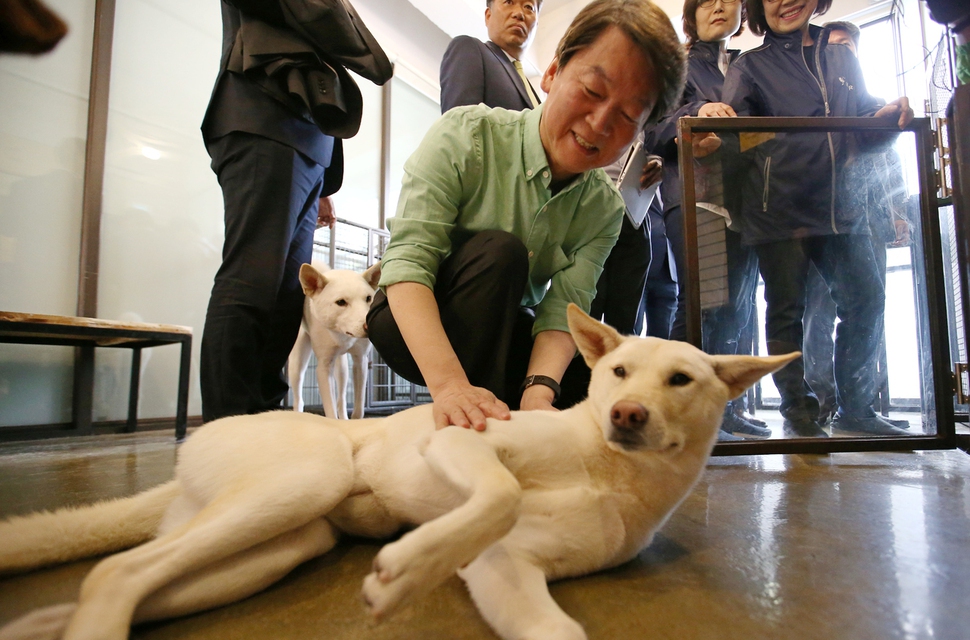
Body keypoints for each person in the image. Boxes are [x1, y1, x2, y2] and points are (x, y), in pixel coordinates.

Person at [367, 0, 686, 431]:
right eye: (592, 91)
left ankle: (509, 413)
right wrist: (450, 386)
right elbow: (409, 264)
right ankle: (476, 422)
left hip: (503, 323)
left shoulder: (604, 208)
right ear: (552, 73)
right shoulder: (466, 134)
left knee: (586, 385)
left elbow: (563, 307)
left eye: (628, 116)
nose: (598, 123)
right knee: (502, 253)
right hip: (410, 317)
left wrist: (539, 392)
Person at [721, 0, 914, 438]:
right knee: (786, 313)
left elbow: (864, 120)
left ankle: (857, 410)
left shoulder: (841, 56)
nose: (785, 1)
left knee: (867, 301)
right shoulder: (749, 67)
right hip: (778, 209)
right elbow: (736, 141)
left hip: (843, 207)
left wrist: (884, 117)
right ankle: (800, 411)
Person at [199, 0, 392, 422]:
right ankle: (227, 426)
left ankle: (264, 417)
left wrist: (321, 183)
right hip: (264, 113)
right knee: (253, 278)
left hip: (306, 141)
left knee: (287, 293)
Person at [642, 0, 767, 440]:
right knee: (701, 307)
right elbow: (654, 129)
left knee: (735, 310)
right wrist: (695, 116)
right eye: (707, 0)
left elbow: (761, 133)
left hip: (743, 204)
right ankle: (680, 415)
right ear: (690, 15)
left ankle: (722, 413)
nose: (719, 6)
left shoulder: (744, 66)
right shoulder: (677, 65)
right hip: (696, 198)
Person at [801, 21, 911, 428]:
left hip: (867, 219)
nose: (842, 52)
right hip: (819, 217)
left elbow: (889, 165)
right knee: (818, 314)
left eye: (849, 47)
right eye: (836, 46)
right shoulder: (810, 101)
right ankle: (823, 400)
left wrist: (898, 212)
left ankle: (860, 403)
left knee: (869, 305)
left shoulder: (872, 105)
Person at [439, 0, 543, 113]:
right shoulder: (469, 49)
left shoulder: (531, 90)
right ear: (488, 16)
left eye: (529, 7)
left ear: (536, 24)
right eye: (508, 2)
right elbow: (461, 123)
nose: (519, 13)